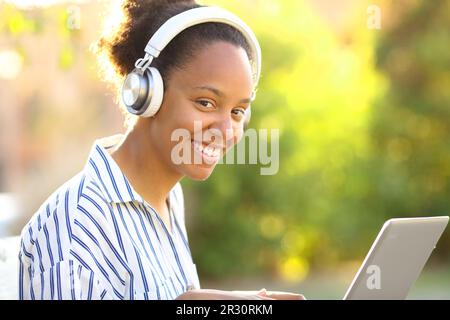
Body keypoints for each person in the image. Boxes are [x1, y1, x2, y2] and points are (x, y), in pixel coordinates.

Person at [18, 0, 305, 300]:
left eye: (237, 112)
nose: (226, 131)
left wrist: (233, 303)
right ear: (147, 94)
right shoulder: (78, 229)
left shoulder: (167, 197)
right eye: (206, 103)